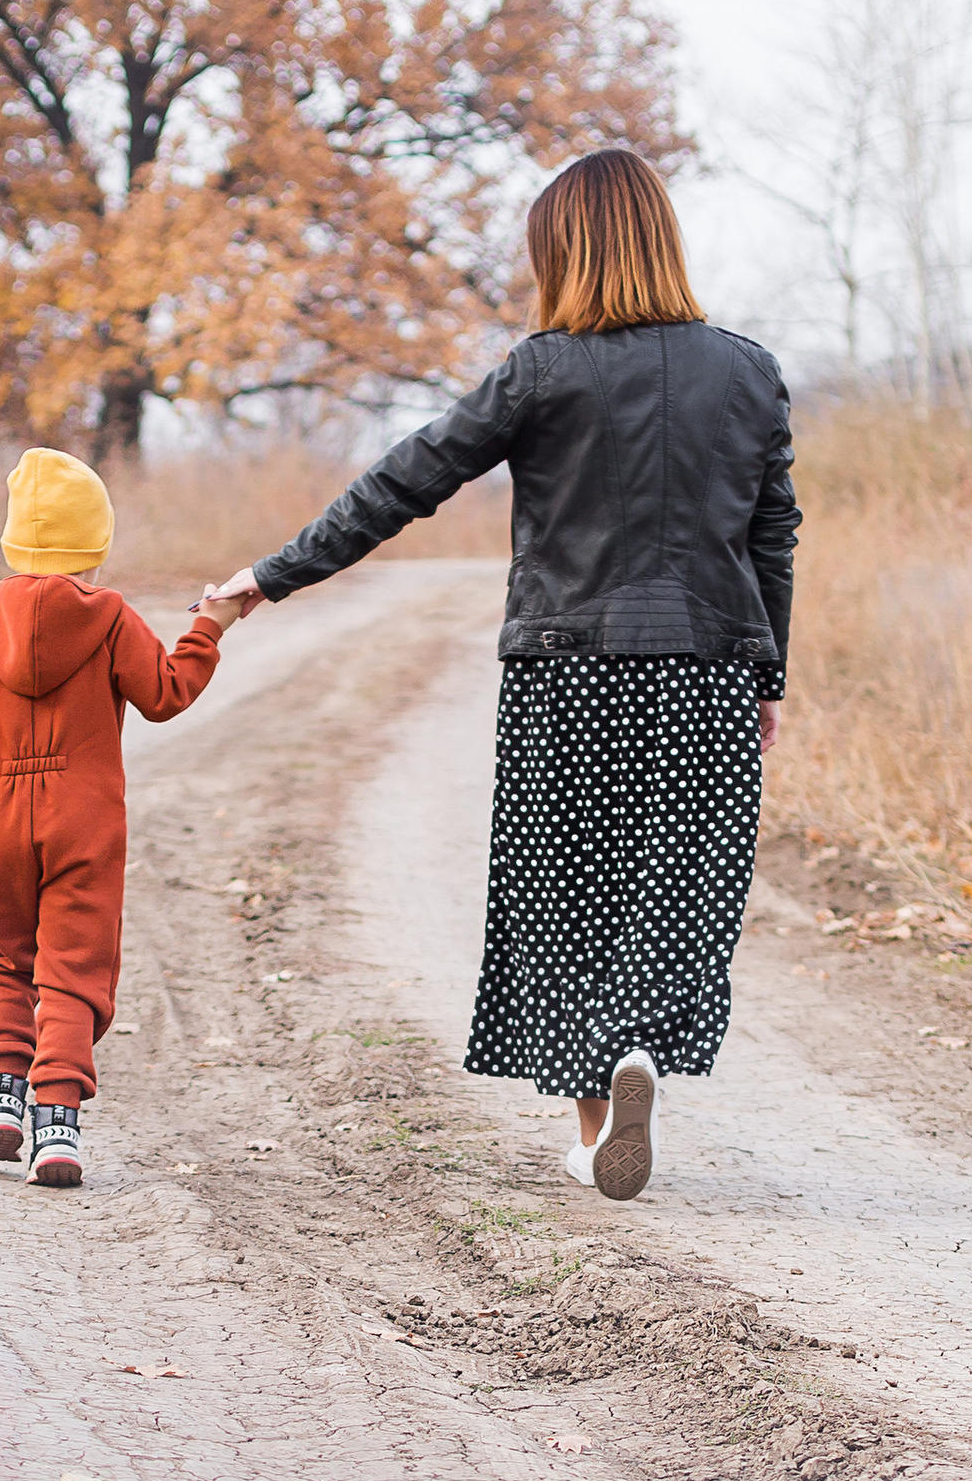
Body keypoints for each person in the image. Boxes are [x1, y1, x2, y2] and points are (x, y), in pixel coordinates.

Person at [214, 148, 799, 1201]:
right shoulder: (748, 372)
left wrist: (273, 575)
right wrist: (769, 677)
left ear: (562, 254)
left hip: (564, 678)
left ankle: (591, 1131)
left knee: (563, 896)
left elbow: (406, 482)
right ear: (663, 238)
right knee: (684, 887)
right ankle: (638, 1050)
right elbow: (773, 538)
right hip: (709, 669)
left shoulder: (541, 369)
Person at [0, 445, 252, 1189]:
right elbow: (166, 694)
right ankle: (57, 1122)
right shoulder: (111, 616)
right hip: (85, 824)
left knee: (4, 959)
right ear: (95, 549)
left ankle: (0, 1097)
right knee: (73, 972)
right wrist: (211, 624)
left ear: (14, 542)